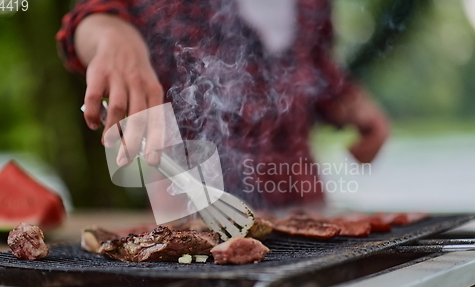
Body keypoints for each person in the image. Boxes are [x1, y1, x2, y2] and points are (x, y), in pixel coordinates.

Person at [57, 0, 389, 210]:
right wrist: (113, 38)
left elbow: (314, 64)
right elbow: (90, 17)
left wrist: (353, 104)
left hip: (302, 199)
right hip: (194, 206)